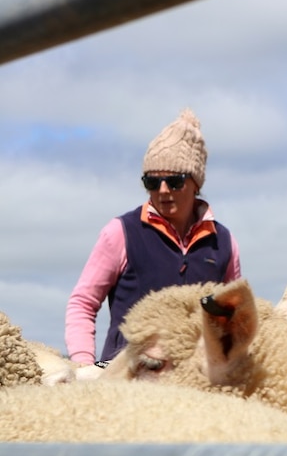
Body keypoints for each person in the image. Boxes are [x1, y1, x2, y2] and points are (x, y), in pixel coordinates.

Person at [64, 108, 242, 363]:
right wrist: (83, 363)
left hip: (196, 384)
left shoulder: (223, 241)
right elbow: (83, 302)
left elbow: (232, 316)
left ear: (196, 183)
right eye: (151, 182)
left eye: (175, 180)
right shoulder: (120, 232)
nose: (163, 190)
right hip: (126, 380)